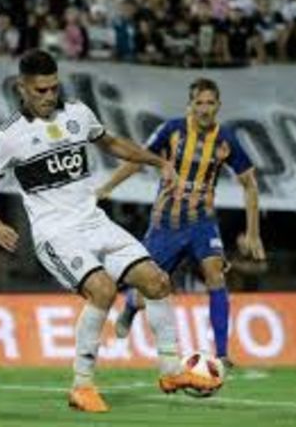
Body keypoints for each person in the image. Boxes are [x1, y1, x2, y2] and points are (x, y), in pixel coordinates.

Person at [0, 49, 221, 413]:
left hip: (94, 222)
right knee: (102, 289)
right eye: (40, 90)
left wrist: (156, 160)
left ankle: (170, 370)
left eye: (53, 88)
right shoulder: (8, 138)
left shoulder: (77, 113)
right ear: (22, 88)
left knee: (157, 281)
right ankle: (82, 385)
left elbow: (112, 143)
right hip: (55, 234)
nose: (49, 96)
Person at [97, 77, 266, 369]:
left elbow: (250, 184)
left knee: (216, 275)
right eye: (199, 103)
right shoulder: (172, 130)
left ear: (218, 105)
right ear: (190, 105)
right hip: (166, 224)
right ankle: (130, 307)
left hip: (202, 222)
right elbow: (138, 159)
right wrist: (107, 187)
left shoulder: (226, 139)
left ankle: (222, 353)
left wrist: (253, 234)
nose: (204, 109)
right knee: (148, 288)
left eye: (210, 103)